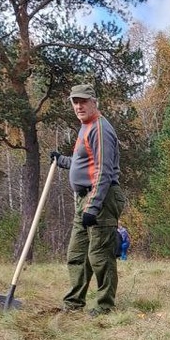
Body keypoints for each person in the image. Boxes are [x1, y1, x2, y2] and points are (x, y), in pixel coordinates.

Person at [50, 83, 124, 315]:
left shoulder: (100, 129)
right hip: (84, 200)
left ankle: (105, 306)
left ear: (94, 102)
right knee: (77, 254)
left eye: (83, 101)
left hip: (100, 199)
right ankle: (74, 303)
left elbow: (103, 170)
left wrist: (93, 205)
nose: (79, 106)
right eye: (75, 101)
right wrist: (62, 160)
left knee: (100, 255)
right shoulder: (86, 127)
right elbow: (84, 162)